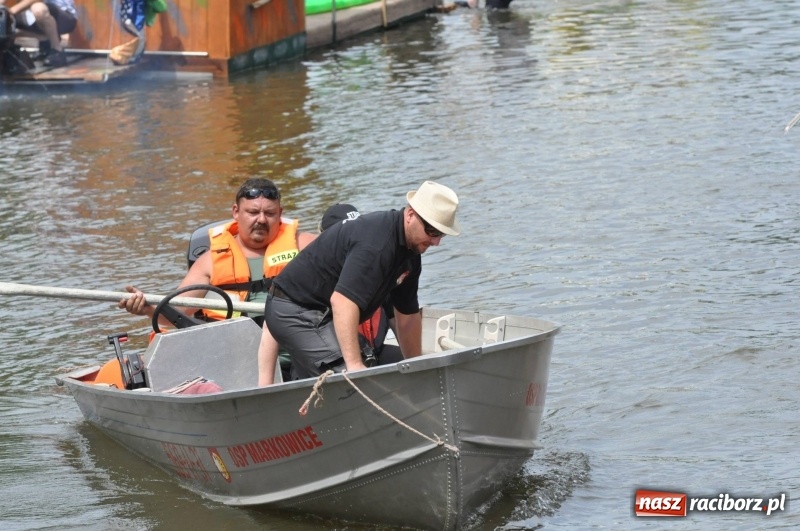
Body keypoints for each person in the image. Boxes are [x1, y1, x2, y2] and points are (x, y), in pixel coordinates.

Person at [119, 177, 316, 386]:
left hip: (302, 357)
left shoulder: (305, 245)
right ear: (235, 212)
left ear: (280, 214)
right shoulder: (210, 262)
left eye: (269, 213)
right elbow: (174, 316)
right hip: (239, 365)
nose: (261, 220)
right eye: (252, 212)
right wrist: (147, 308)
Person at [261, 180, 461, 382]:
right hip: (293, 309)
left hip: (325, 314)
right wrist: (354, 366)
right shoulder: (377, 244)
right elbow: (342, 302)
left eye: (441, 234)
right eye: (432, 231)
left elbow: (407, 316)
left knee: (370, 363)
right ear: (410, 215)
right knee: (350, 375)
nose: (436, 242)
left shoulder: (411, 251)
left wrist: (417, 367)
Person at [318, 203, 402, 367]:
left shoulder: (378, 273)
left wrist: (415, 361)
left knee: (409, 362)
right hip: (335, 360)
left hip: (374, 353)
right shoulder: (313, 281)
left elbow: (395, 321)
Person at [0, 0, 76, 66]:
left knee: (38, 8)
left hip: (63, 17)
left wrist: (10, 12)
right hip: (32, 16)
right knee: (6, 22)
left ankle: (57, 50)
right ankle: (45, 40)